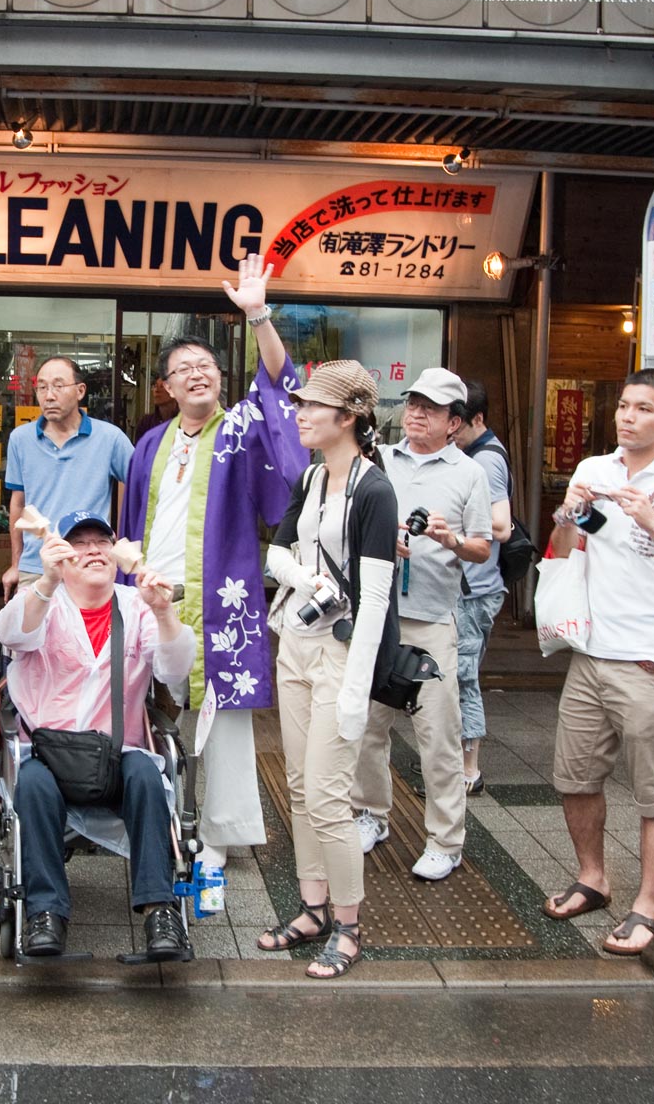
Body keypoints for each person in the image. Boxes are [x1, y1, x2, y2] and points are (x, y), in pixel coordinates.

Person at [121, 252, 307, 877]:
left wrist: (258, 316)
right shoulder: (151, 442)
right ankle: (148, 814)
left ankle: (223, 832)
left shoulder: (243, 429)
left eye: (205, 366)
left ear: (221, 379)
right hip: (149, 594)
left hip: (218, 597)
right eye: (182, 370)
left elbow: (282, 389)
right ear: (166, 388)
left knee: (222, 718)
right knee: (136, 708)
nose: (196, 374)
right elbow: (128, 524)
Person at [543, 368, 654, 955]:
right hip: (590, 653)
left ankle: (648, 906)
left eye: (643, 409)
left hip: (649, 661)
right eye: (622, 405)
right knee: (574, 777)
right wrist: (567, 514)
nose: (627, 417)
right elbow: (565, 554)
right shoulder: (595, 470)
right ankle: (593, 877)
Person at [0, 510, 196, 958]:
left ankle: (160, 910)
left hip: (117, 750)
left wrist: (163, 612)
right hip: (46, 750)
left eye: (101, 542)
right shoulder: (44, 598)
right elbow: (9, 634)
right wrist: (44, 582)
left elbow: (175, 669)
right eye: (78, 543)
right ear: (62, 556)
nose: (92, 551)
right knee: (32, 786)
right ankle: (45, 913)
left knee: (146, 775)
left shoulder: (136, 603)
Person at [259, 361, 398, 979]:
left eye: (313, 407)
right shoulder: (313, 478)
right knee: (296, 787)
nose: (301, 414)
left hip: (342, 653)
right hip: (295, 640)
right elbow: (276, 552)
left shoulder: (375, 490)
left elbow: (375, 599)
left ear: (349, 418)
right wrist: (302, 577)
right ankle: (311, 909)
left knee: (327, 794)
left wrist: (355, 688)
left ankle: (348, 924)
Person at [351, 368, 492, 881]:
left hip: (433, 620)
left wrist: (449, 539)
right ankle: (371, 814)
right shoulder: (380, 459)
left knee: (438, 736)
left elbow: (482, 546)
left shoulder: (469, 474)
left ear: (454, 423)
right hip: (379, 614)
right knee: (367, 726)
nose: (415, 413)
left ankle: (445, 840)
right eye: (412, 404)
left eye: (430, 409)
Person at [2, 356, 133, 600]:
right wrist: (15, 564)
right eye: (42, 387)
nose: (49, 395)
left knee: (91, 637)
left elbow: (142, 490)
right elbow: (18, 503)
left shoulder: (110, 438)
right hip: (36, 567)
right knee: (32, 636)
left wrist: (121, 542)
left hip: (89, 566)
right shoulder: (20, 439)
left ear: (80, 391)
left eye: (58, 386)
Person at [447, 380, 514, 795]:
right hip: (472, 585)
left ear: (478, 419)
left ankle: (469, 770)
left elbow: (502, 526)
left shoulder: (486, 460)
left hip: (475, 588)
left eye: (459, 424)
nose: (452, 432)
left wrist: (448, 519)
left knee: (463, 676)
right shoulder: (475, 452)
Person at [134, 376, 180, 443]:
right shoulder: (146, 423)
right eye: (155, 386)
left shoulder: (186, 423)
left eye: (162, 386)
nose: (156, 390)